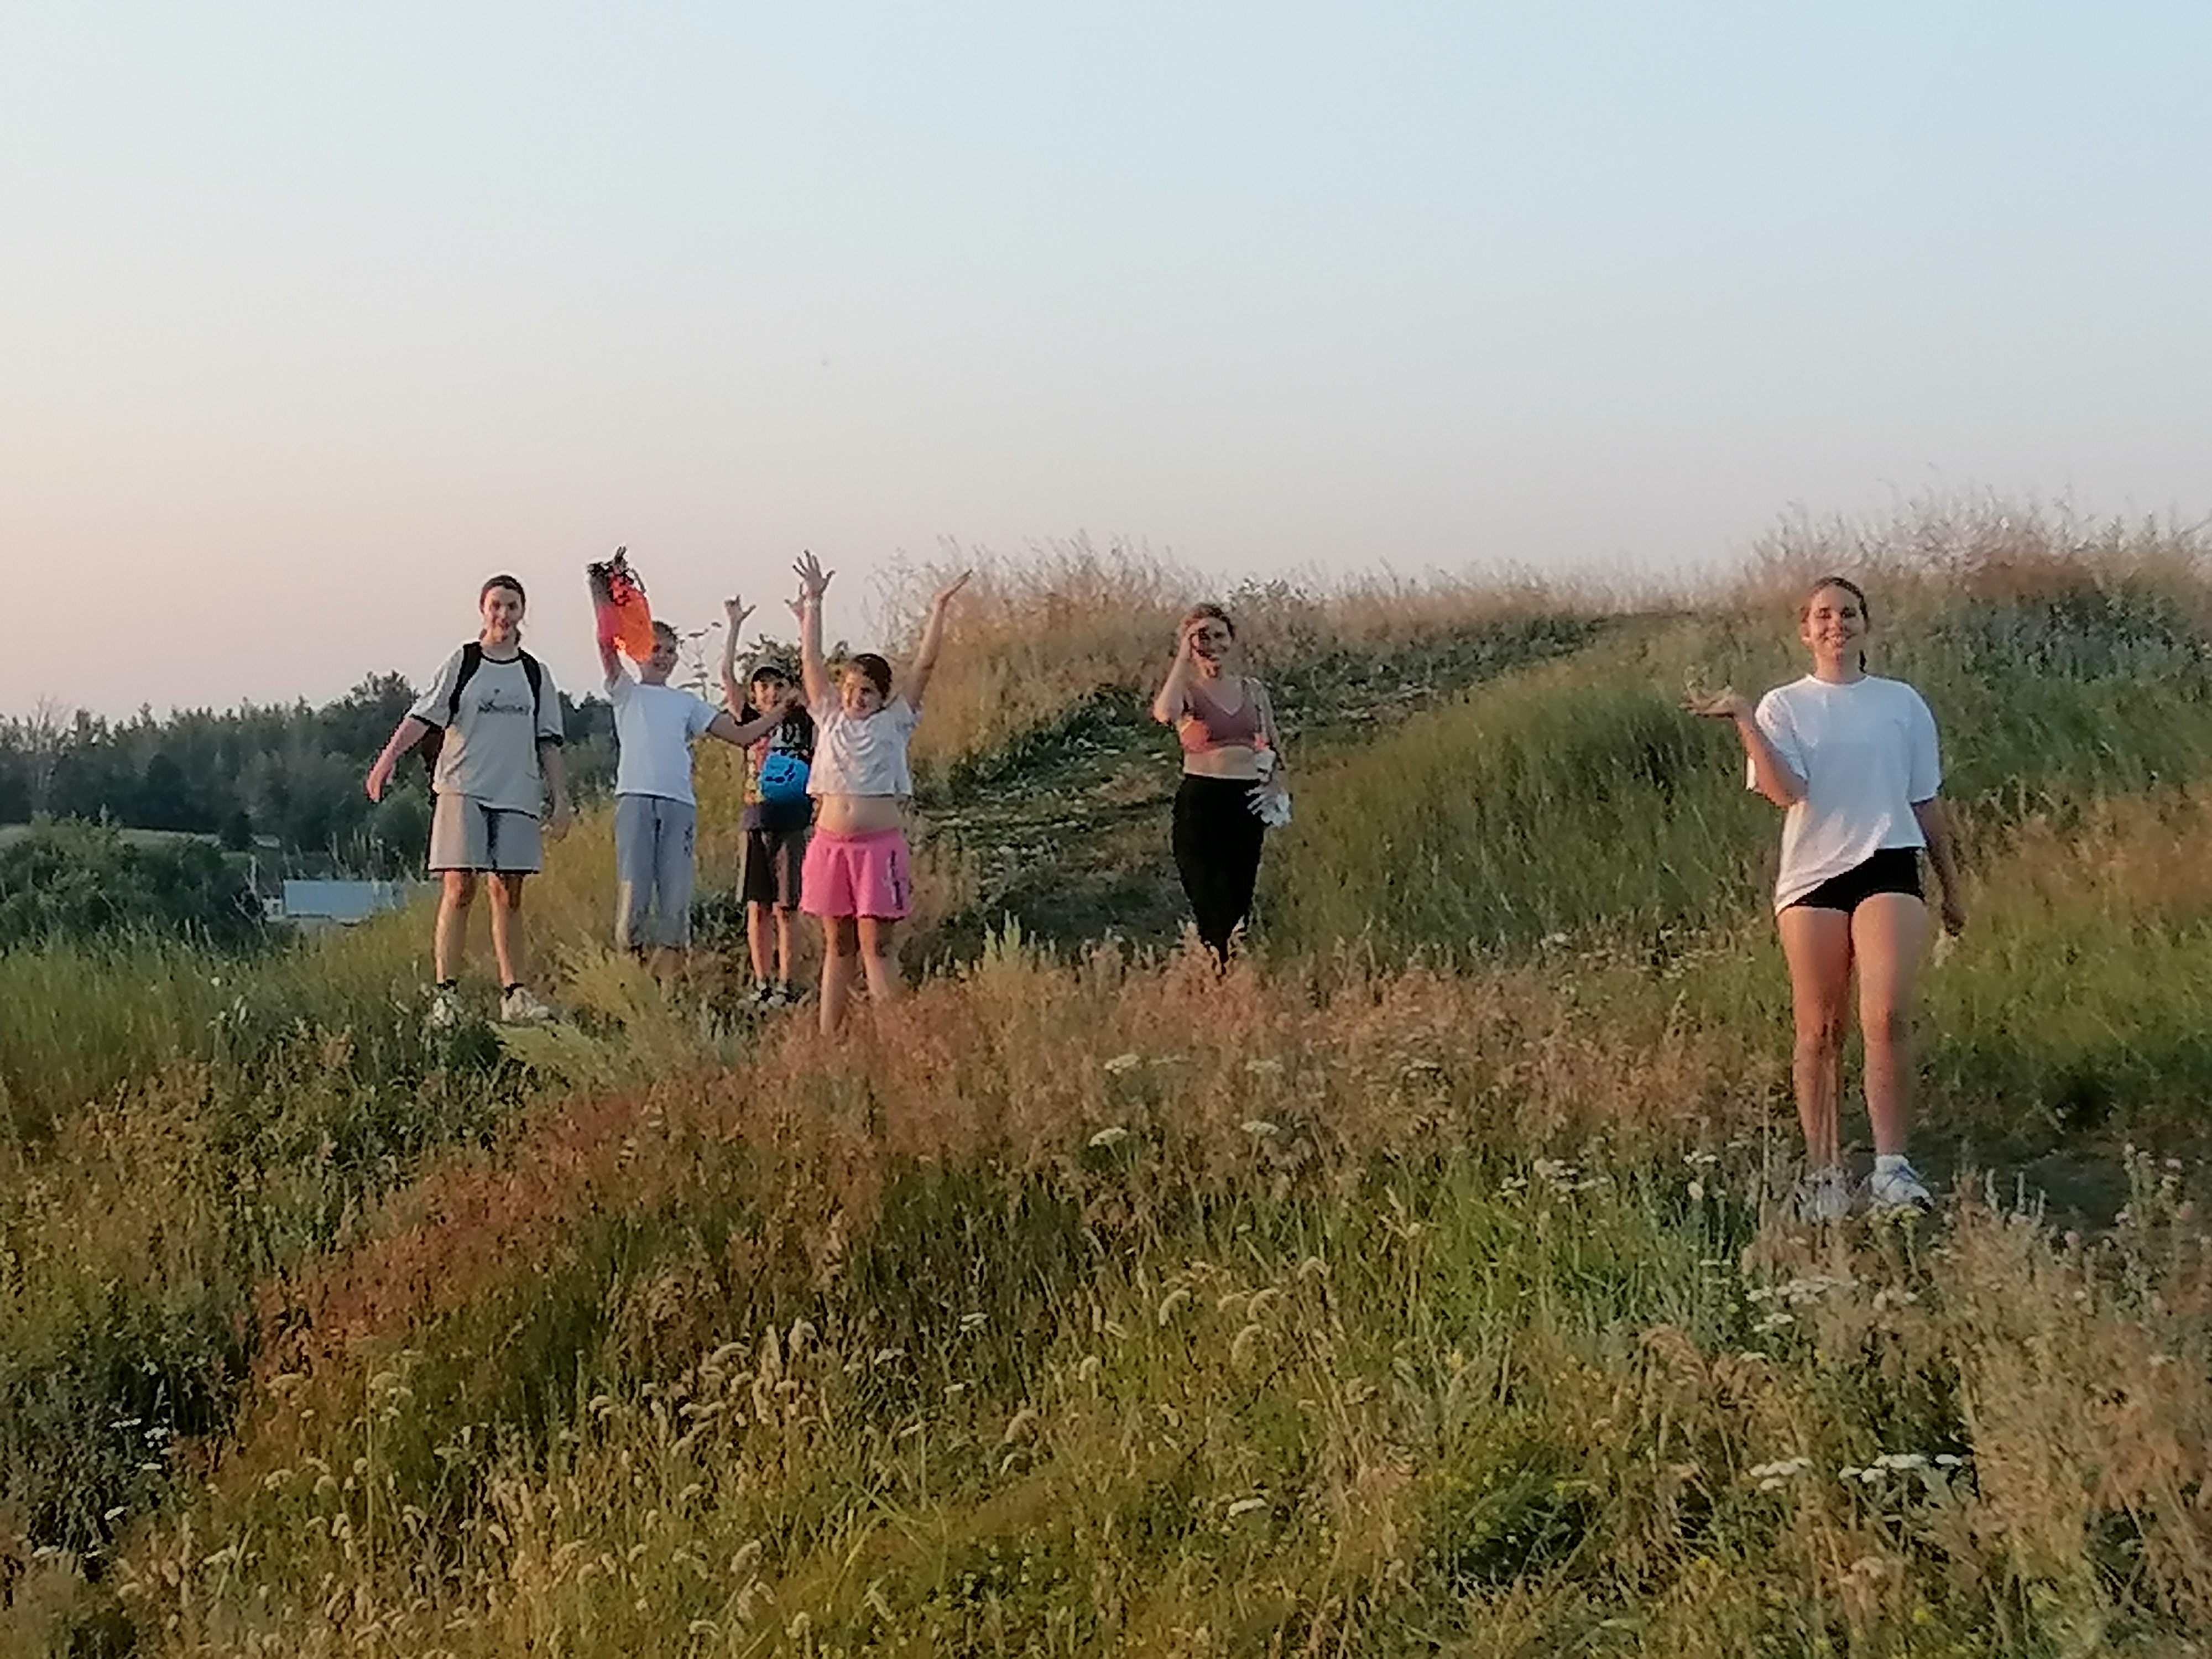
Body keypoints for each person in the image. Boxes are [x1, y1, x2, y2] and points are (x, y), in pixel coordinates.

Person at [1688, 575, 1966, 1221]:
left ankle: (1893, 1171)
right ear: (1804, 631)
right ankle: (1825, 1176)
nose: (1835, 624)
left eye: (1847, 613)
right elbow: (1786, 792)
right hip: (1811, 879)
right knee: (1818, 1030)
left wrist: (1952, 887)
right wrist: (1744, 721)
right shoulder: (1783, 705)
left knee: (1885, 1016)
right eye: (1822, 615)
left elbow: (1925, 800)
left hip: (1890, 862)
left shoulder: (1901, 703)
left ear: (1866, 625)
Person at [366, 573, 571, 1028]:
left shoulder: (535, 674)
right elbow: (423, 715)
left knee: (508, 892)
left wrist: (561, 799)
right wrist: (387, 760)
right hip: (464, 787)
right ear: (483, 609)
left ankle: (515, 993)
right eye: (496, 605)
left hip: (517, 791)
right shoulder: (465, 662)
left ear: (523, 612)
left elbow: (550, 741)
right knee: (460, 888)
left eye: (512, 606)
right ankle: (447, 996)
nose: (504, 614)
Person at [790, 550, 970, 1035]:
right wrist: (815, 603)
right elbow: (810, 661)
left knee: (878, 946)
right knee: (839, 946)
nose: (856, 697)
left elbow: (925, 667)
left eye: (867, 691)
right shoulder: (829, 716)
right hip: (831, 847)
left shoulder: (895, 723)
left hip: (877, 850)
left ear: (883, 696)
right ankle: (829, 1038)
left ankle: (894, 1040)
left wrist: (938, 609)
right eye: (850, 688)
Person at [601, 613, 791, 984]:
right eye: (656, 649)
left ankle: (671, 987)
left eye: (670, 651)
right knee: (634, 893)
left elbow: (741, 736)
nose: (663, 657)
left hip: (678, 805)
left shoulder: (686, 703)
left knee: (675, 899)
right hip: (636, 801)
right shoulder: (626, 691)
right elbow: (605, 643)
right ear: (638, 651)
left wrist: (783, 711)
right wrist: (604, 594)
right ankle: (632, 981)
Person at [1150, 603, 1291, 967]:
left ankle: (1231, 968)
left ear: (1232, 639)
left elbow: (1275, 748)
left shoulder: (1254, 691)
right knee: (1206, 889)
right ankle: (1216, 964)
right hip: (1202, 800)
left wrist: (1275, 785)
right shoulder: (1187, 691)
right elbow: (1164, 713)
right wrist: (1183, 656)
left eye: (1219, 635)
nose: (1212, 644)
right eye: (1203, 637)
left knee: (1239, 891)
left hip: (1247, 799)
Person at [719, 596, 817, 1008]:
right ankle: (762, 983)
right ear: (754, 692)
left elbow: (815, 676)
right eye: (763, 685)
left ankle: (787, 985)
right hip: (756, 820)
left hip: (792, 820)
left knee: (786, 907)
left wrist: (805, 621)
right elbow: (726, 675)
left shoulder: (804, 721)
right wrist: (734, 626)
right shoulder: (749, 720)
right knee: (757, 907)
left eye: (778, 684)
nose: (770, 692)